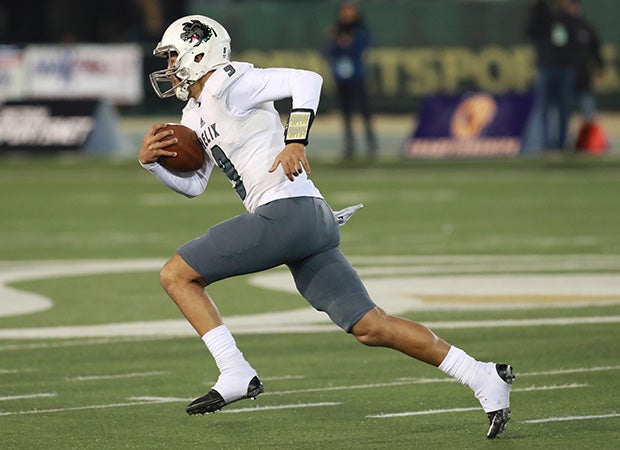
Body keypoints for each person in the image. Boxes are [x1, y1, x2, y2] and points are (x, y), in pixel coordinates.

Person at [139, 15, 514, 439]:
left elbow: (308, 80)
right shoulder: (193, 112)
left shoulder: (232, 83)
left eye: (172, 54)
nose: (169, 66)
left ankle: (235, 370)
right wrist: (150, 164)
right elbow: (194, 185)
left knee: (176, 275)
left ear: (199, 48)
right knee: (371, 326)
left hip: (285, 213)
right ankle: (482, 376)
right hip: (309, 219)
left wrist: (296, 139)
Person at [524, 0, 577, 151]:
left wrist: (568, 11)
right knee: (544, 108)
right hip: (546, 66)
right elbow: (529, 30)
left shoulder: (568, 11)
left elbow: (576, 33)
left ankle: (561, 144)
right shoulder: (540, 10)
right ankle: (545, 144)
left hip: (565, 66)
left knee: (564, 108)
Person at [326, 1, 377, 160]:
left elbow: (361, 48)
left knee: (364, 110)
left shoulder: (360, 29)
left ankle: (371, 144)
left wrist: (347, 44)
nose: (347, 13)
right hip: (342, 77)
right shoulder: (337, 29)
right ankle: (350, 145)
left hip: (357, 76)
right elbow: (330, 51)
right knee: (346, 112)